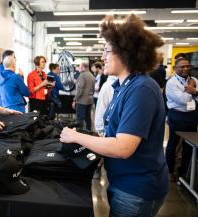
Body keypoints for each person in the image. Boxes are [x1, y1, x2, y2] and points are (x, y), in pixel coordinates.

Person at [60, 14, 168, 217]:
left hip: (136, 189)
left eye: (107, 51)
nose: (102, 57)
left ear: (125, 53)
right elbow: (114, 133)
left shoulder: (141, 89)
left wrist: (76, 136)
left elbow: (123, 148)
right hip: (123, 181)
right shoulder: (122, 86)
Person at [165, 57, 198, 181]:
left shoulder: (193, 80)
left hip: (192, 115)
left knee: (189, 145)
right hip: (177, 115)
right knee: (173, 144)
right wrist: (192, 91)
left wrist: (193, 91)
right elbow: (183, 100)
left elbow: (196, 96)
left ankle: (183, 172)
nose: (185, 69)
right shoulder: (172, 83)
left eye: (187, 66)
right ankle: (169, 170)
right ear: (175, 68)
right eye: (182, 67)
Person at [72, 62, 95, 131]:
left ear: (83, 67)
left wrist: (75, 100)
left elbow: (80, 90)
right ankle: (89, 131)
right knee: (88, 118)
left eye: (80, 67)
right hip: (90, 100)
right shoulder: (92, 75)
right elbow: (93, 90)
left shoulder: (82, 75)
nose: (79, 68)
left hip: (81, 101)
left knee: (80, 118)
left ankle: (79, 133)